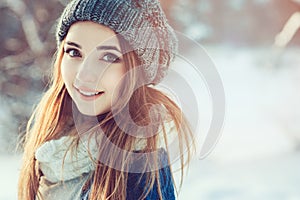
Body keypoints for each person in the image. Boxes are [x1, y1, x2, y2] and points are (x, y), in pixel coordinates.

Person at [18, 0, 195, 199]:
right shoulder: (54, 139)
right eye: (74, 52)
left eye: (109, 57)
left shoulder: (137, 170)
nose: (83, 75)